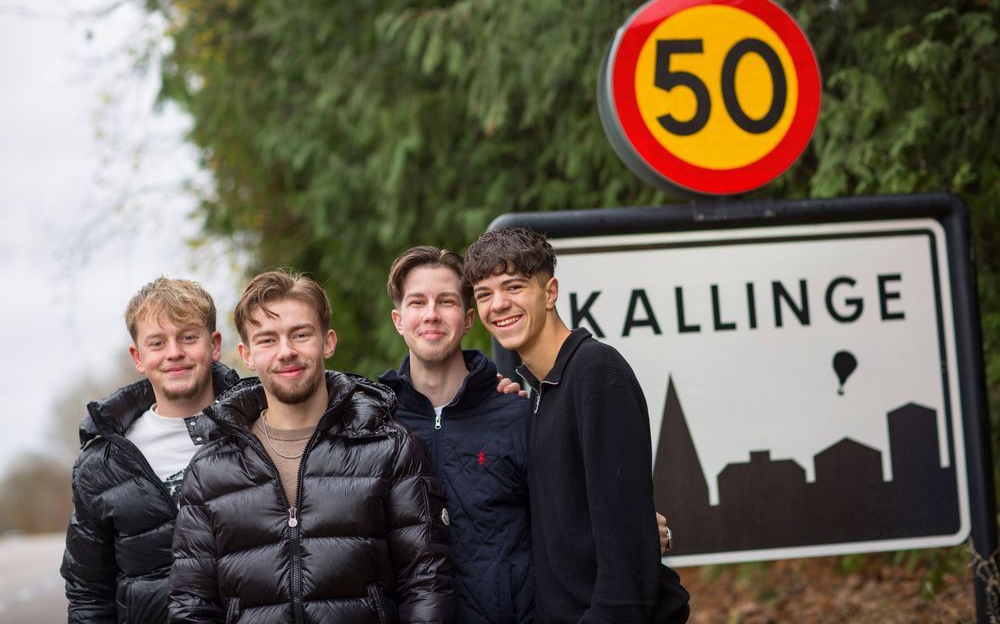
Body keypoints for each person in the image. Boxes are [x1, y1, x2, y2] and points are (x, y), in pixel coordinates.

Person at [169, 270, 454, 623]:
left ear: (328, 341)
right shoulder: (210, 468)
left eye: (300, 334)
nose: (286, 352)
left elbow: (426, 583)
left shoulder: (388, 445)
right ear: (247, 354)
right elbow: (193, 606)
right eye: (268, 340)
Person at [465, 227, 690, 623]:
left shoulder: (597, 374)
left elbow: (626, 570)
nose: (498, 304)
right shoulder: (540, 392)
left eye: (513, 287)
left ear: (549, 292)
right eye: (484, 294)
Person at [61, 277, 240, 623]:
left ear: (214, 344)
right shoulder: (102, 464)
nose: (174, 352)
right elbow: (89, 595)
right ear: (138, 357)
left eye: (188, 337)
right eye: (157, 343)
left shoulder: (257, 428)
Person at [379, 246, 533, 623]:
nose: (431, 314)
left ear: (467, 319)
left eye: (445, 301)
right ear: (399, 320)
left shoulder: (517, 416)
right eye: (418, 302)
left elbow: (567, 526)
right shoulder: (375, 426)